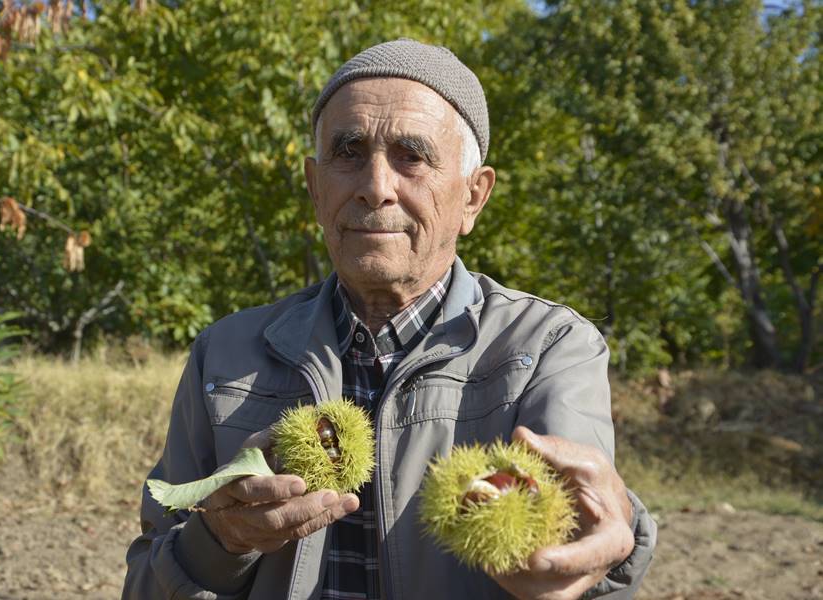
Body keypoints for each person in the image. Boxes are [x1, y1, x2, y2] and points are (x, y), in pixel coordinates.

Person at [123, 39, 657, 600]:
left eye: (413, 156)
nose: (376, 188)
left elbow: (582, 527)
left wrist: (612, 529)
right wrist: (220, 538)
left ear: (474, 197)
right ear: (314, 186)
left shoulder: (550, 348)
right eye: (349, 153)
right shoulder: (224, 353)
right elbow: (145, 584)